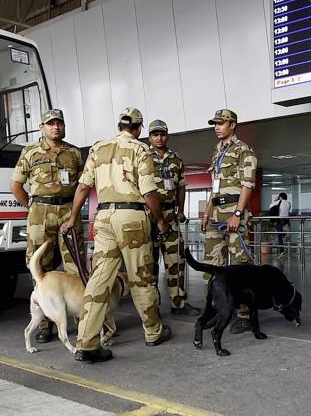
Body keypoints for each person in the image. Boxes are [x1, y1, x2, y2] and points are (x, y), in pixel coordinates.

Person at [60, 108, 172, 362]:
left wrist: (73, 216)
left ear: (118, 125)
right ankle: (153, 331)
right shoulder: (140, 150)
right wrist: (160, 220)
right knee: (141, 277)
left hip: (103, 218)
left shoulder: (98, 149)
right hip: (131, 217)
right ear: (139, 129)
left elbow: (83, 187)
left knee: (98, 280)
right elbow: (149, 192)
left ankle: (86, 343)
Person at [10, 108, 85, 343]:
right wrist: (33, 209)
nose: (55, 127)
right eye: (50, 123)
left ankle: (82, 319)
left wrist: (73, 212)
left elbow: (82, 186)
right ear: (42, 127)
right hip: (40, 213)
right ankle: (44, 323)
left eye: (59, 123)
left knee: (76, 266)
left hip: (68, 212)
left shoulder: (73, 153)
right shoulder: (30, 152)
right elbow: (17, 186)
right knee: (39, 266)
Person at [200, 108, 258, 334]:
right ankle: (216, 310)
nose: (216, 127)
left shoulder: (244, 150)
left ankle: (244, 315)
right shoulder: (217, 152)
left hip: (235, 213)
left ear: (232, 124)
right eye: (215, 123)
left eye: (221, 123)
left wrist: (237, 213)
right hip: (216, 214)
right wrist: (206, 213)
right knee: (212, 265)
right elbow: (214, 189)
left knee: (241, 267)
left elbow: (248, 185)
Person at [147, 119, 200, 316]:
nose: (159, 138)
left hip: (171, 216)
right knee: (150, 264)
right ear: (150, 137)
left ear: (167, 135)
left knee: (176, 261)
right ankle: (152, 307)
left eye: (162, 134)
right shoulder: (143, 157)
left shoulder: (176, 159)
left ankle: (179, 303)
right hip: (150, 216)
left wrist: (181, 210)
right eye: (155, 135)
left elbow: (181, 186)